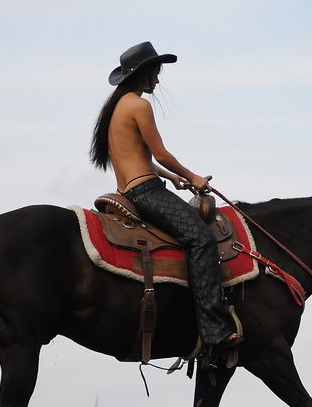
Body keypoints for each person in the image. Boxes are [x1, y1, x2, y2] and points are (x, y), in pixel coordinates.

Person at [90, 41, 240, 368]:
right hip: (147, 193)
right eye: (155, 73)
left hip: (135, 188)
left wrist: (170, 178)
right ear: (142, 74)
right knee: (201, 240)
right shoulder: (140, 106)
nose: (157, 81)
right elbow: (160, 153)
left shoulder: (118, 107)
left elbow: (137, 156)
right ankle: (213, 329)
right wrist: (193, 176)